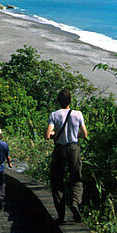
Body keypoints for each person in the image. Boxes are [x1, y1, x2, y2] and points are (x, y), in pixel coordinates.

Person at [45, 88, 88, 223]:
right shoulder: (78, 114)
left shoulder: (54, 115)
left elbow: (47, 135)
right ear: (70, 101)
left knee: (57, 180)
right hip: (73, 148)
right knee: (76, 178)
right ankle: (75, 202)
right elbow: (84, 134)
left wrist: (54, 135)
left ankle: (61, 215)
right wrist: (75, 135)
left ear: (59, 101)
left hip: (59, 149)